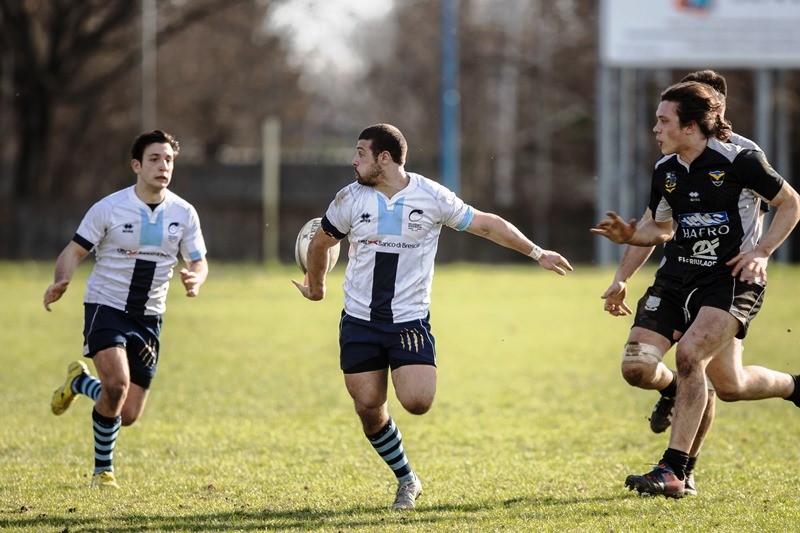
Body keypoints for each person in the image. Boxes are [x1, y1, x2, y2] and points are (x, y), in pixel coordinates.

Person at [292, 123, 572, 509]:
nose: (353, 160)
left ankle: (407, 468)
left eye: (361, 153)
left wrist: (538, 253)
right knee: (368, 406)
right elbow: (321, 243)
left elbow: (488, 225)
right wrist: (318, 286)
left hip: (408, 321)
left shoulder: (431, 195)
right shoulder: (348, 199)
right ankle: (407, 478)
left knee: (418, 400)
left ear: (384, 159)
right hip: (359, 319)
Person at [592, 81, 800, 498]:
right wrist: (629, 244)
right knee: (650, 370)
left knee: (691, 357)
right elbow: (660, 228)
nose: (655, 128)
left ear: (690, 127)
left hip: (730, 279)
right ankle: (789, 386)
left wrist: (761, 251)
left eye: (663, 120)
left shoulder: (741, 159)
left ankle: (675, 470)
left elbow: (790, 202)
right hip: (676, 278)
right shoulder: (666, 169)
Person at [45, 130, 208, 489]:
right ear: (136, 165)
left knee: (128, 413)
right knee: (116, 386)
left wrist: (195, 278)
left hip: (150, 316)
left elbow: (198, 260)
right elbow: (74, 251)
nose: (163, 165)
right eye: (154, 159)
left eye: (168, 160)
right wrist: (61, 281)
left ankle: (79, 382)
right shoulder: (109, 208)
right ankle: (103, 471)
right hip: (107, 306)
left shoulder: (183, 212)